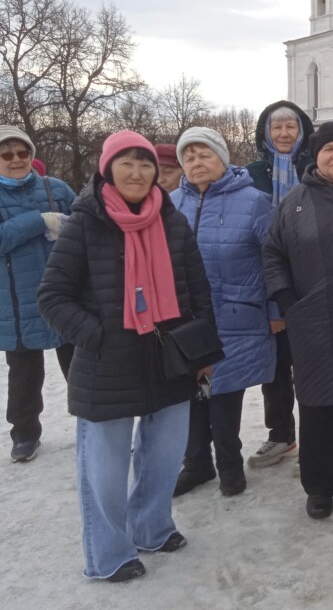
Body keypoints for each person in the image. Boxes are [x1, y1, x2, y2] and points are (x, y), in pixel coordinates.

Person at [38, 130, 214, 581]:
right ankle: (109, 554)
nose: (137, 173)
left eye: (145, 164)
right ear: (108, 169)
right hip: (107, 365)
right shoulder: (84, 221)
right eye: (127, 163)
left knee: (162, 455)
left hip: (169, 357)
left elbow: (197, 291)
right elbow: (53, 296)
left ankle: (152, 528)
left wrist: (203, 350)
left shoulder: (170, 219)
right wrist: (97, 336)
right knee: (105, 469)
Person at [263, 120, 333, 520]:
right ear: (316, 155)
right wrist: (288, 299)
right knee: (317, 407)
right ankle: (320, 487)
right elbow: (273, 253)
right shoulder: (295, 202)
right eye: (329, 149)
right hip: (315, 318)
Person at [170, 127, 276, 498]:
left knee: (224, 395)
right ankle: (196, 464)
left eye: (205, 155)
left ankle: (229, 464)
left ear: (222, 159)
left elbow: (275, 259)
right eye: (190, 156)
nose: (197, 163)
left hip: (237, 315)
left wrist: (276, 310)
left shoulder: (254, 201)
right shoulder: (171, 203)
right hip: (188, 319)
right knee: (194, 394)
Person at [0, 126, 76, 462]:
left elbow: (87, 225)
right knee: (24, 374)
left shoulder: (56, 188)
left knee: (82, 366)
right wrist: (39, 221)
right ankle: (25, 434)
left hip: (65, 295)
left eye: (22, 153)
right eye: (6, 155)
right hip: (15, 302)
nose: (16, 160)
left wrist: (70, 227)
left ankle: (97, 421)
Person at [245, 101, 314, 468]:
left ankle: (317, 434)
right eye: (277, 128)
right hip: (265, 275)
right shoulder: (251, 174)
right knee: (275, 364)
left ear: (303, 131)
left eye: (291, 127)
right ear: (266, 133)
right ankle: (281, 434)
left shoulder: (314, 168)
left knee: (309, 362)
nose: (285, 134)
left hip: (310, 278)